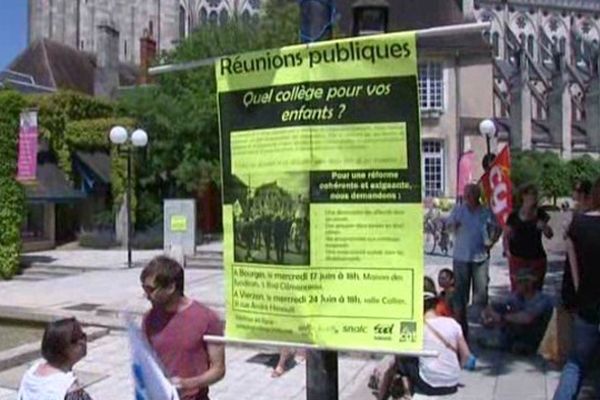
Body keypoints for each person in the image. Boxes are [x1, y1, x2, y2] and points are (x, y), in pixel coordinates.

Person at [141, 256, 225, 400]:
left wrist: (187, 384)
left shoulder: (206, 318)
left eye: (150, 289)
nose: (146, 295)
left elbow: (219, 370)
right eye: (144, 289)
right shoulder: (149, 319)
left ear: (171, 287)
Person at [377, 278, 474, 400]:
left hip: (429, 385)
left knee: (401, 359)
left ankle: (400, 393)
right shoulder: (452, 323)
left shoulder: (414, 328)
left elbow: (399, 355)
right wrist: (453, 371)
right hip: (452, 383)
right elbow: (466, 355)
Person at [553, 177, 600, 400]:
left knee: (576, 363)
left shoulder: (577, 225)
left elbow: (573, 274)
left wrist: (571, 301)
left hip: (587, 305)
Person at [446, 183, 499, 339]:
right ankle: (462, 331)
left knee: (481, 295)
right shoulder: (458, 210)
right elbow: (448, 227)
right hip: (461, 258)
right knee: (460, 296)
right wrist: (452, 226)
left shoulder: (485, 211)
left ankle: (482, 329)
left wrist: (492, 242)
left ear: (477, 196)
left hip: (480, 258)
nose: (468, 198)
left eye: (471, 195)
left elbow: (497, 227)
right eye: (466, 195)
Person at [480, 268, 553, 354]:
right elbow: (498, 304)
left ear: (529, 283)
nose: (516, 285)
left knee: (518, 343)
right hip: (520, 330)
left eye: (519, 282)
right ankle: (507, 341)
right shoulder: (517, 296)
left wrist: (501, 318)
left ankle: (519, 344)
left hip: (535, 335)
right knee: (502, 309)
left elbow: (527, 318)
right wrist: (487, 315)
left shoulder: (542, 300)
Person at [17, 318, 92, 400]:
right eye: (82, 336)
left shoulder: (31, 373)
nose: (84, 342)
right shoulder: (69, 390)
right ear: (67, 347)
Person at [504, 183, 553, 291]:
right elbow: (506, 235)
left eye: (535, 194)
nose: (533, 197)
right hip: (517, 259)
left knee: (535, 293)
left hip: (536, 258)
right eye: (530, 194)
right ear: (523, 196)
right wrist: (507, 251)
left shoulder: (541, 214)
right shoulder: (514, 216)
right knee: (517, 292)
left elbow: (550, 235)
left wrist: (544, 227)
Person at [561, 180, 592, 311]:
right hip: (574, 252)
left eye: (578, 191)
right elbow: (566, 235)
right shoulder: (574, 211)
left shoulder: (590, 211)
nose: (575, 193)